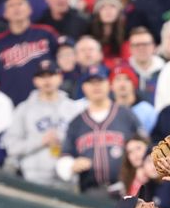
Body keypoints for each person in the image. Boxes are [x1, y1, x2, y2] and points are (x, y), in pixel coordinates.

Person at [57, 65, 142, 195]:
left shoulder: (126, 115)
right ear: (84, 87)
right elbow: (65, 157)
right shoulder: (76, 123)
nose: (96, 86)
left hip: (125, 189)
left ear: (108, 84)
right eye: (91, 83)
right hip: (90, 191)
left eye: (100, 81)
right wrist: (72, 165)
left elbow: (145, 147)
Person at [3, 59, 84, 190]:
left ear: (59, 77)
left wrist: (64, 141)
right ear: (35, 80)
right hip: (32, 179)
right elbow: (11, 147)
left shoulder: (73, 109)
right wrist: (41, 141)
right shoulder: (24, 109)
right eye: (42, 76)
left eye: (51, 75)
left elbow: (84, 144)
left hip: (67, 179)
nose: (47, 81)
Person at [0, 0, 58, 106]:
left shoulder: (46, 33)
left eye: (20, 4)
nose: (16, 8)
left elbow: (62, 62)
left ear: (29, 9)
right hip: (12, 105)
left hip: (47, 102)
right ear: (4, 13)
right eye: (11, 5)